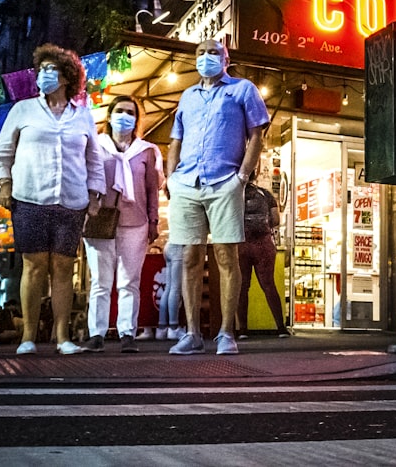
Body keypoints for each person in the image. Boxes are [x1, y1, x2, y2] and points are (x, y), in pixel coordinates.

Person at [0, 43, 106, 356]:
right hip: (29, 199)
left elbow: (94, 159)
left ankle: (63, 338)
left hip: (71, 201)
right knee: (34, 266)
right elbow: (3, 151)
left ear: (67, 77)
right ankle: (27, 336)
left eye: (51, 69)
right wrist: (4, 183)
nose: (44, 75)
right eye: (41, 70)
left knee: (64, 268)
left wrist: (95, 194)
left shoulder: (83, 116)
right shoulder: (23, 110)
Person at [166, 39, 269, 356]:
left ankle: (226, 333)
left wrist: (242, 176)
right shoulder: (187, 95)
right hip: (187, 182)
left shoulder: (242, 89)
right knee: (189, 258)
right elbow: (176, 139)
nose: (206, 57)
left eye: (213, 52)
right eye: (200, 53)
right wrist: (171, 177)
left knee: (227, 256)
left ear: (226, 59)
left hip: (225, 180)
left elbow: (257, 134)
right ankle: (193, 333)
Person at [81, 95, 161, 354]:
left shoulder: (147, 151)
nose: (124, 116)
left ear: (137, 119)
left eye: (130, 112)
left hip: (136, 222)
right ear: (110, 115)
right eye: (119, 110)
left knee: (129, 281)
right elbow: (86, 181)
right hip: (100, 220)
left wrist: (154, 222)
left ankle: (127, 332)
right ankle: (97, 333)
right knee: (100, 281)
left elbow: (151, 190)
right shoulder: (96, 146)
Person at [236, 173, 289, 339]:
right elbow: (275, 220)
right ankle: (281, 328)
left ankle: (243, 330)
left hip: (241, 243)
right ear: (255, 175)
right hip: (263, 244)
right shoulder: (266, 194)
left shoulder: (235, 193)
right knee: (269, 285)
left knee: (242, 287)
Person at [154, 241, 187, 340]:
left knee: (168, 288)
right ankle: (174, 327)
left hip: (168, 245)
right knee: (176, 289)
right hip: (179, 246)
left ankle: (161, 328)